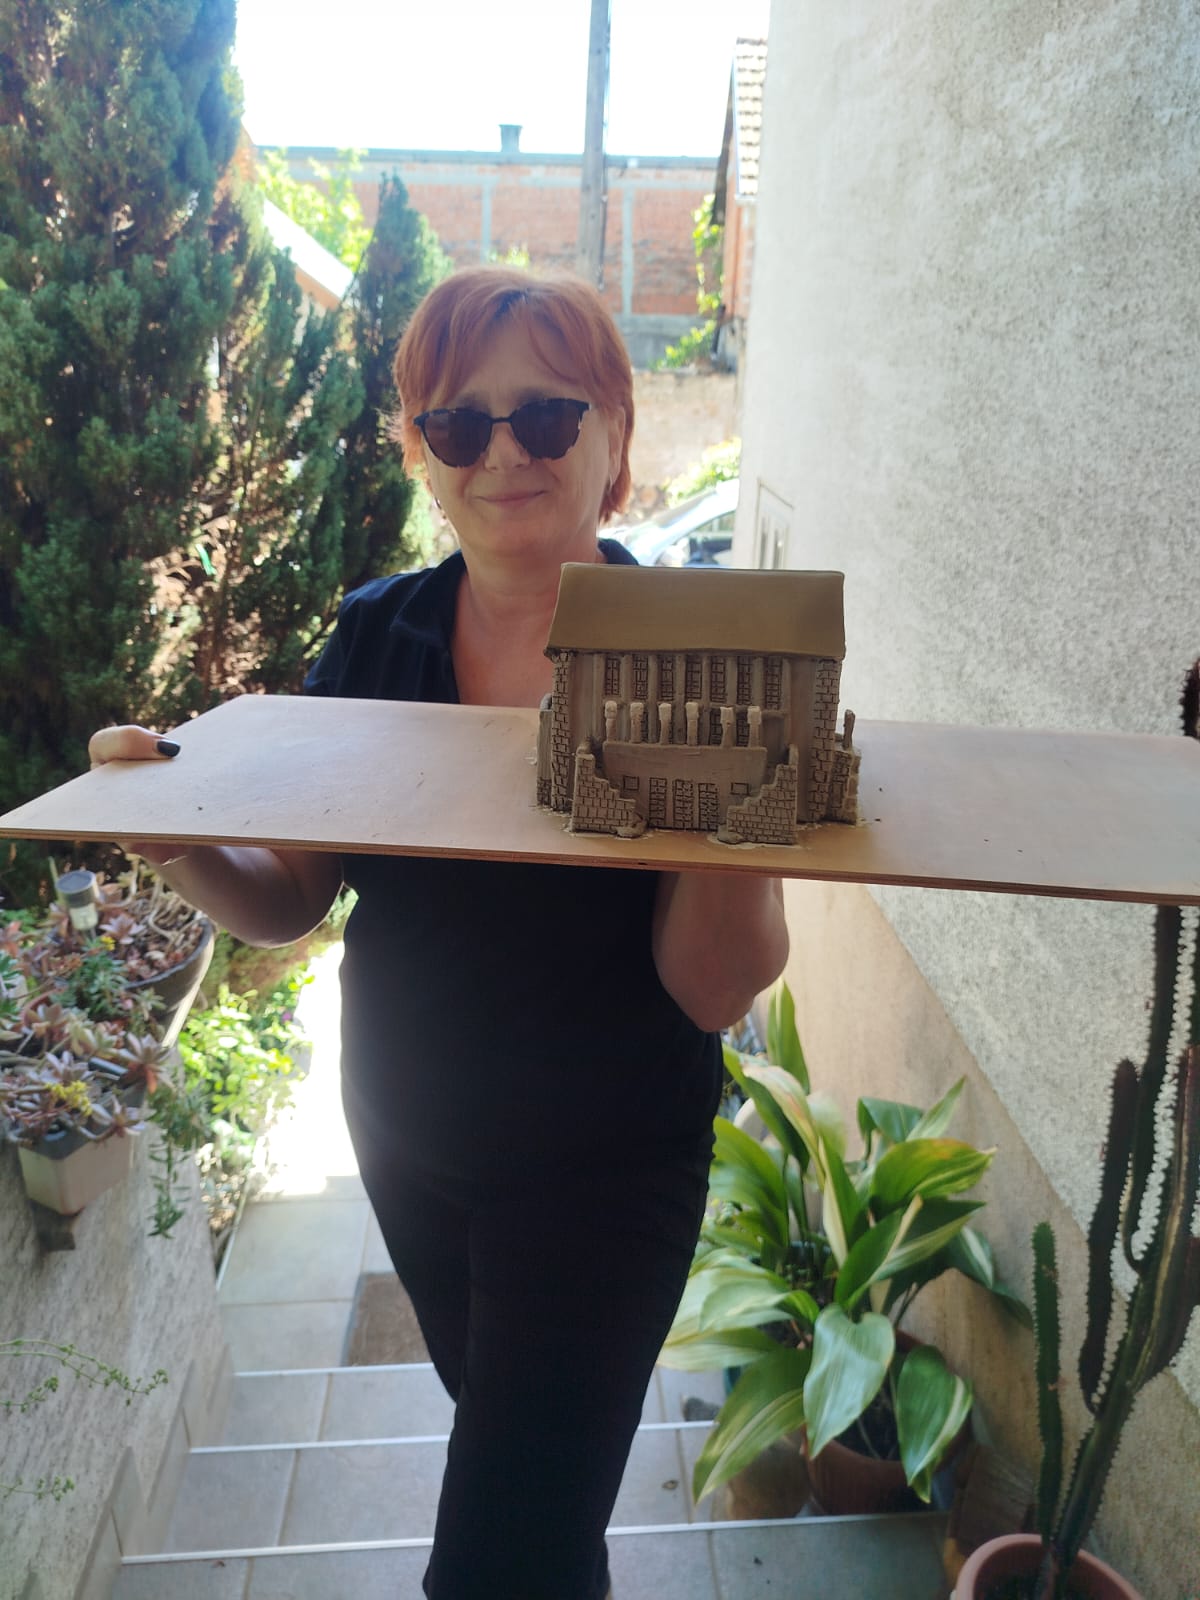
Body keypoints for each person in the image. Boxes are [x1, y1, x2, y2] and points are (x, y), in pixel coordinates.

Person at [90, 266, 789, 1600]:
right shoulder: (377, 634)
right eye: (460, 423)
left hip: (604, 1173)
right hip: (411, 1146)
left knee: (497, 1554)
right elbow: (294, 895)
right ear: (423, 452)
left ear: (616, 436)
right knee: (530, 1486)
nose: (504, 453)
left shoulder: (694, 657)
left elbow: (713, 990)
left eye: (548, 415)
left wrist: (734, 815)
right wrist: (176, 836)